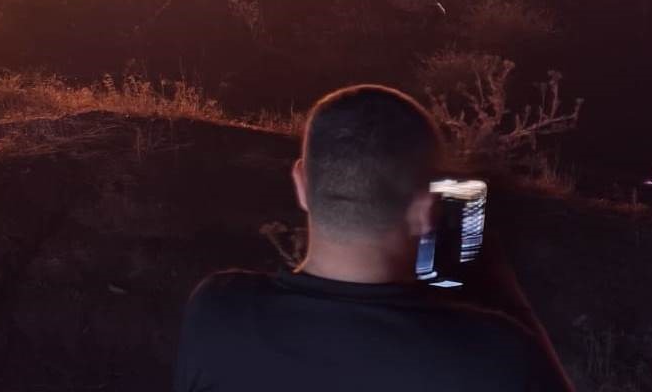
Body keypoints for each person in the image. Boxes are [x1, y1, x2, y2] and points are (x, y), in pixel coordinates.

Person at [175, 86, 572, 392]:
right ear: (424, 211)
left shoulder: (218, 312)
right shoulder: (498, 357)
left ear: (300, 183)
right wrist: (495, 281)